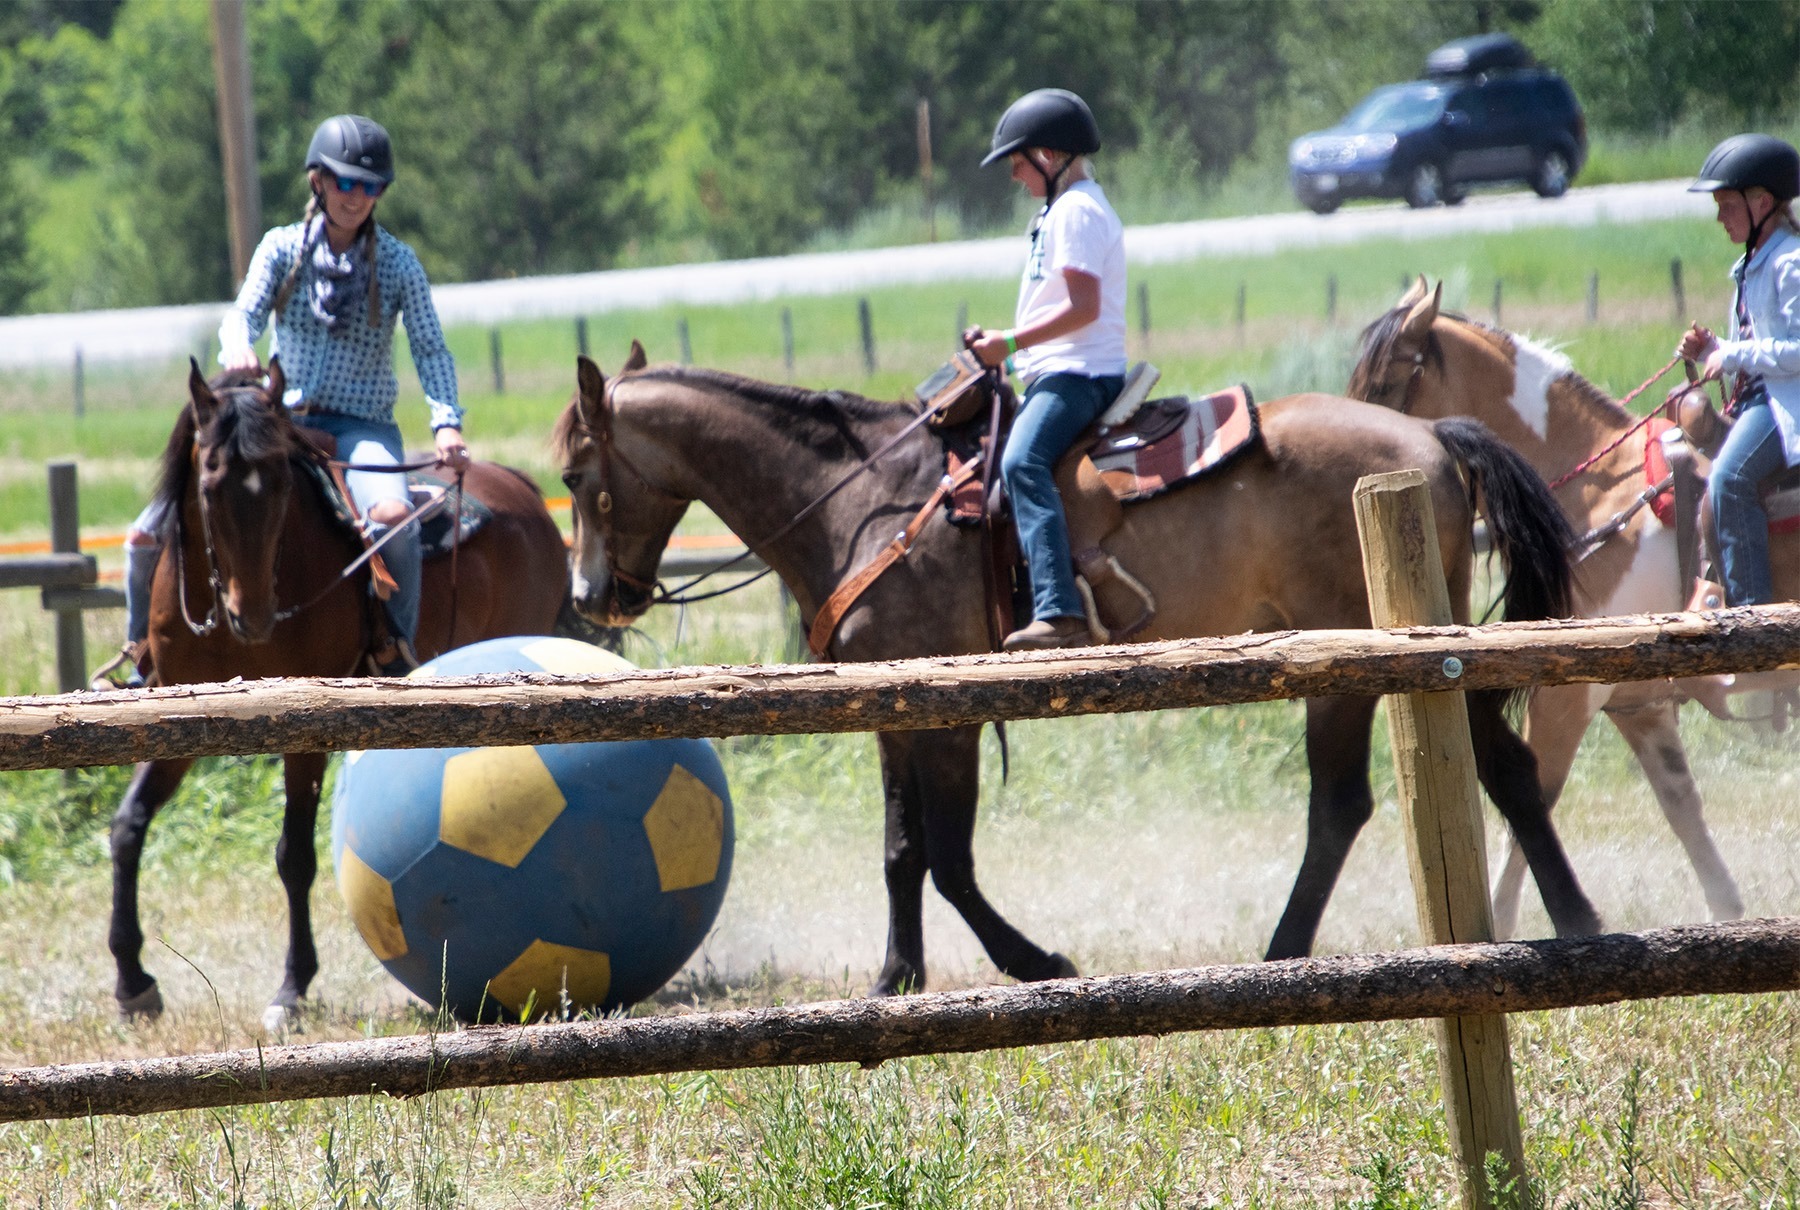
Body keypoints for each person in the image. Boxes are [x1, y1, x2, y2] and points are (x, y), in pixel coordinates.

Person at [94, 113, 465, 686]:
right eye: (346, 182)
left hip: (359, 427)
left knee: (395, 520)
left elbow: (432, 350)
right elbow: (244, 313)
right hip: (278, 423)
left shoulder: (398, 263)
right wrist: (239, 345)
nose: (357, 197)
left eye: (370, 187)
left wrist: (446, 424)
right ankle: (141, 652)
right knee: (146, 534)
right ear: (318, 181)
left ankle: (395, 647)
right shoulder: (281, 249)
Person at [964, 88, 1127, 651]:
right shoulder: (1058, 210)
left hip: (1078, 374)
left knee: (1022, 461)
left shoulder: (1077, 210)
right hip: (1058, 369)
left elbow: (1084, 307)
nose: (1014, 174)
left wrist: (1008, 344)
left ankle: (1057, 611)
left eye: (1018, 161)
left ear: (1050, 157)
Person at [1677, 133, 1800, 608]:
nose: (1719, 217)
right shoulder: (1752, 263)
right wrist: (1711, 347)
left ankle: (1752, 615)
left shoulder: (1790, 262)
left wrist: (1732, 354)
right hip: (1757, 398)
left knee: (1730, 477)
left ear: (1763, 202)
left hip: (1784, 400)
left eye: (1727, 205)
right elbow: (1750, 342)